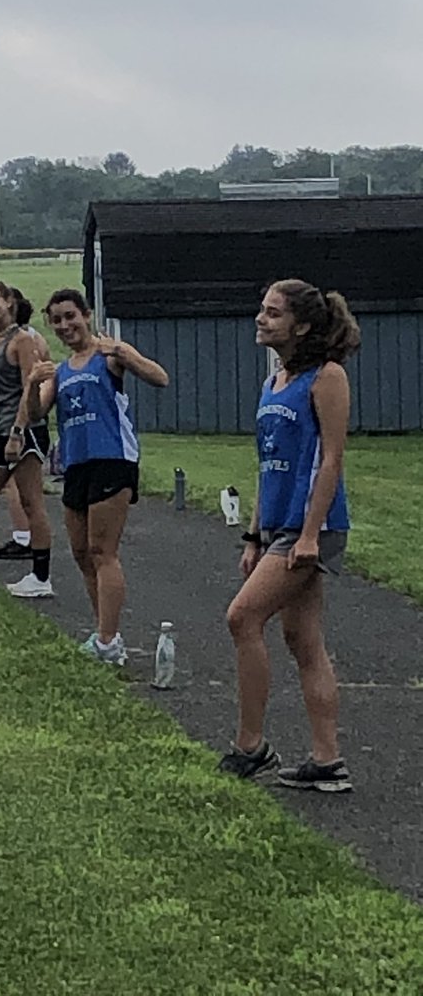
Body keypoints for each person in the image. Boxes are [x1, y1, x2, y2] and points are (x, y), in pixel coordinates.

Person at [218, 280, 360, 793]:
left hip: (311, 526)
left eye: (273, 313)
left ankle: (250, 746)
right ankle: (328, 762)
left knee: (242, 617)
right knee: (303, 639)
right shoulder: (273, 381)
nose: (261, 319)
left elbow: (331, 459)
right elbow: (266, 466)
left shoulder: (327, 377)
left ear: (300, 325)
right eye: (262, 310)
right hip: (278, 524)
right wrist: (254, 536)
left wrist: (308, 535)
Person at [27, 289, 169, 662]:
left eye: (70, 316)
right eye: (56, 319)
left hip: (112, 458)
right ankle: (106, 634)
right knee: (80, 552)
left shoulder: (108, 356)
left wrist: (125, 354)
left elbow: (160, 378)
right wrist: (30, 384)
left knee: (102, 550)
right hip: (76, 463)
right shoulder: (59, 371)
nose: (64, 325)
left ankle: (107, 640)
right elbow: (36, 414)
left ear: (86, 315)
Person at [0, 282, 53, 598]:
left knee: (31, 502)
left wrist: (18, 432)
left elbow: (30, 389)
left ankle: (41, 577)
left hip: (23, 431)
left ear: (9, 301)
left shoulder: (23, 341)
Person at [0, 289, 50, 561]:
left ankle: (26, 539)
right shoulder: (2, 340)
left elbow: (33, 382)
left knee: (23, 490)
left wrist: (20, 426)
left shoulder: (27, 340)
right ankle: (25, 538)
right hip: (7, 421)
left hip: (24, 423)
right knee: (18, 489)